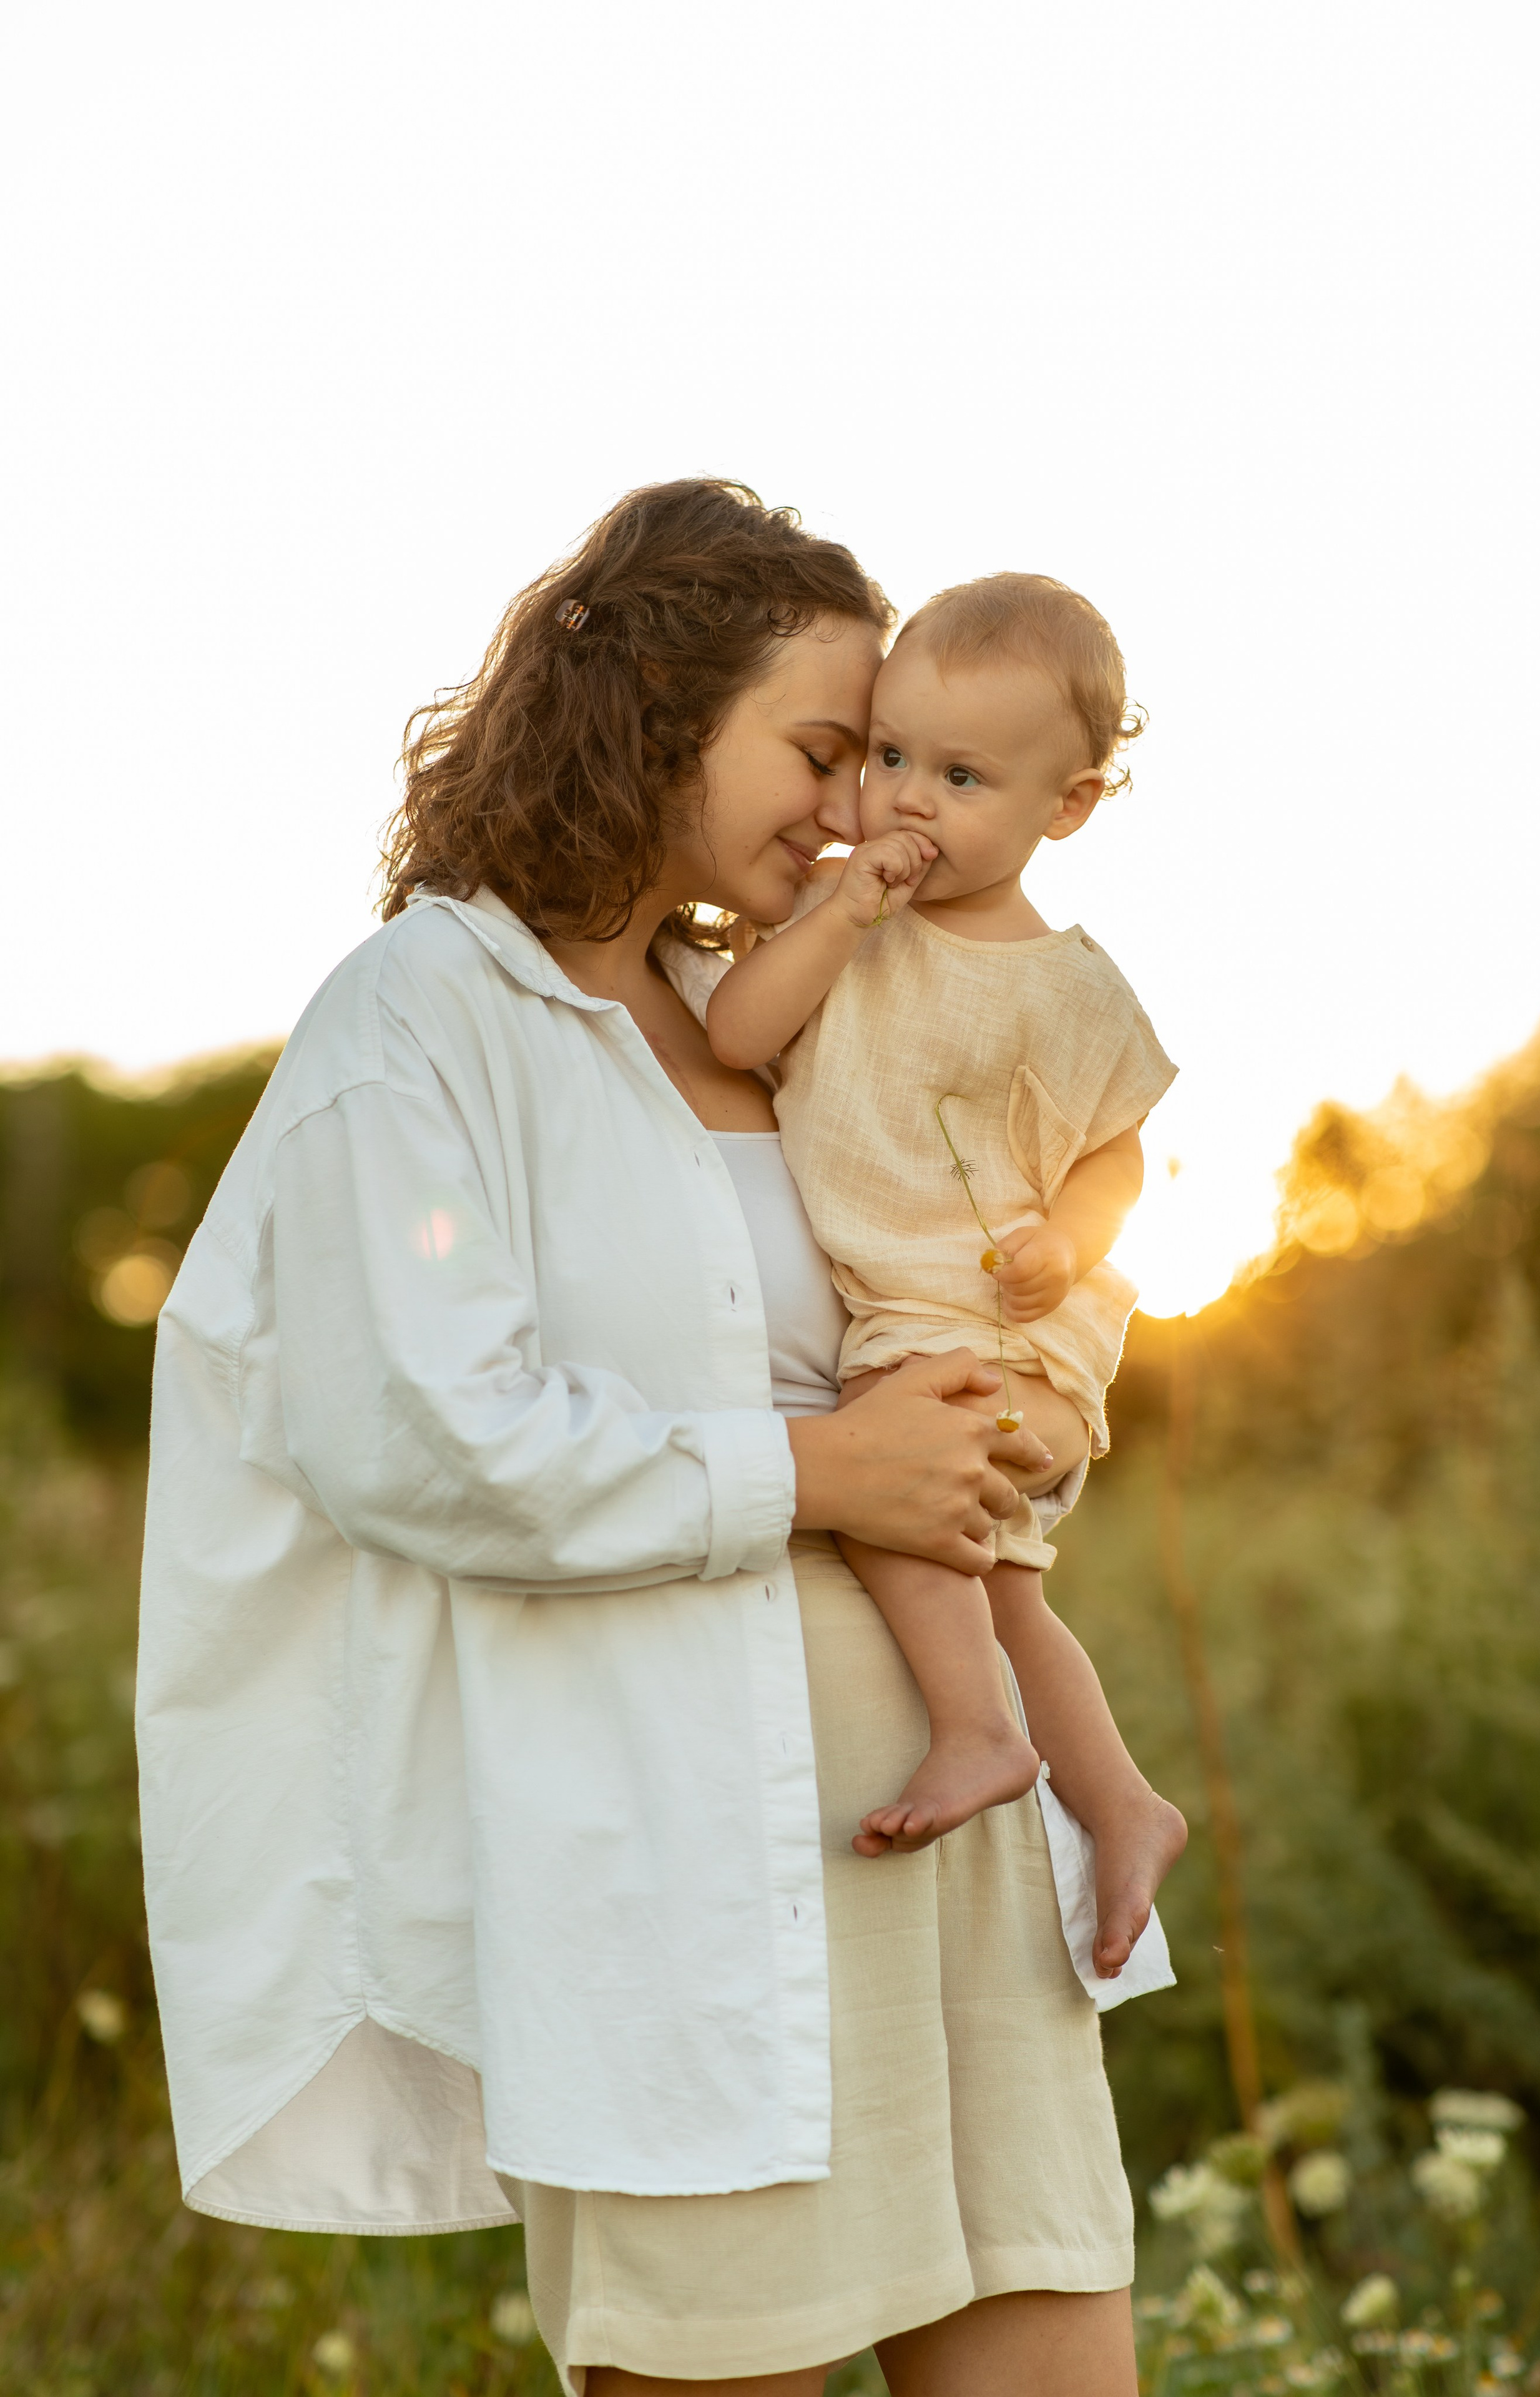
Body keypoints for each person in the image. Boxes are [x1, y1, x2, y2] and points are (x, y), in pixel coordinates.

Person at [137, 481, 1164, 2397]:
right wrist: (819, 1475)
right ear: (662, 712)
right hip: (682, 1885)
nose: (861, 807)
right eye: (824, 748)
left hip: (953, 1849)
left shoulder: (778, 1014)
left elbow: (967, 1295)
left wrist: (1016, 1409)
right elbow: (419, 1432)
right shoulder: (423, 1020)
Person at [705, 574, 1187, 1974]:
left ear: (1067, 805)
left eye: (960, 776)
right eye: (887, 756)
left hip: (993, 1322)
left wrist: (1070, 1241)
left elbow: (1116, 1157)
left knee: (881, 1489)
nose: (905, 800)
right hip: (921, 1315)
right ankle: (1117, 1798)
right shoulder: (837, 923)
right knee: (1003, 1587)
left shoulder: (1075, 988)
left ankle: (977, 1732)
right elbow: (740, 1031)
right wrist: (840, 915)